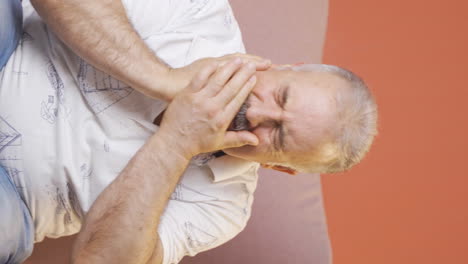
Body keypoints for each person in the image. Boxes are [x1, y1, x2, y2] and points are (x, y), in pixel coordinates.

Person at [0, 0, 378, 263]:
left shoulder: (222, 208)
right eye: (281, 95)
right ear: (282, 66)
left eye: (277, 135)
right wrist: (163, 81)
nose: (258, 112)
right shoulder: (201, 14)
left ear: (278, 168)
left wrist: (177, 142)